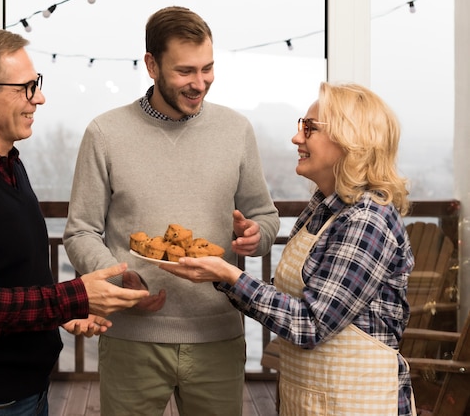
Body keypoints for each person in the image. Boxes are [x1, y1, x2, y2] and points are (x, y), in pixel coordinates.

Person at [0, 28, 149, 416]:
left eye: (36, 85)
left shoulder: (9, 165)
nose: (39, 98)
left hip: (29, 391)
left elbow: (11, 275)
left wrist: (64, 313)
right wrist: (73, 297)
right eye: (26, 88)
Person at [62, 6, 280, 416]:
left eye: (208, 68)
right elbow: (81, 231)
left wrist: (257, 235)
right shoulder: (104, 133)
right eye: (185, 72)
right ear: (151, 65)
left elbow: (265, 217)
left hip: (217, 335)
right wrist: (118, 278)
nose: (200, 83)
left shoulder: (236, 131)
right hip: (131, 338)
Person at [161, 82, 417, 416]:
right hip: (313, 398)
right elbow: (299, 302)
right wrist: (224, 275)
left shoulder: (366, 221)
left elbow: (311, 324)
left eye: (309, 128)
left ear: (349, 141)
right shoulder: (323, 207)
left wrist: (229, 275)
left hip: (359, 403)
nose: (297, 138)